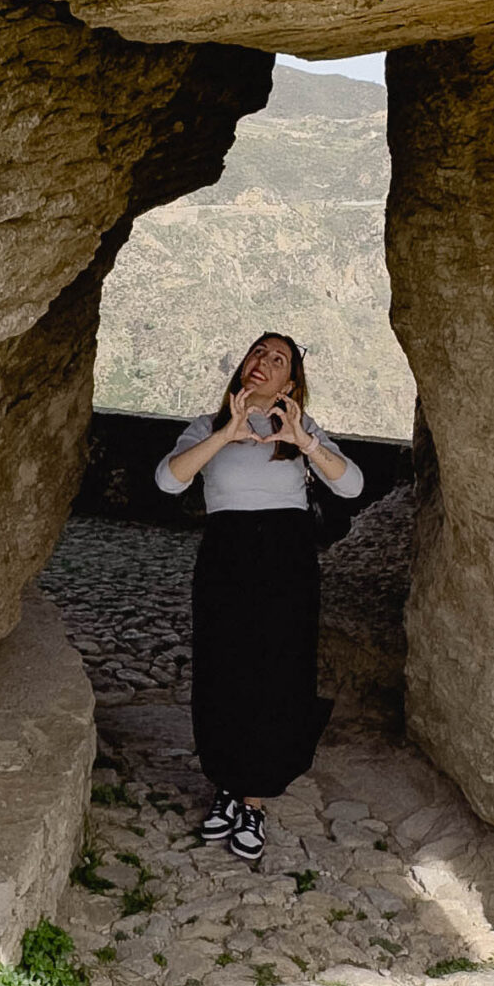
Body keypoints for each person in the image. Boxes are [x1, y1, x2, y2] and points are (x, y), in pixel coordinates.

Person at [152, 331, 363, 861]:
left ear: (290, 382)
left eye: (278, 360)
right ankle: (226, 784)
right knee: (223, 671)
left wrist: (304, 440)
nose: (263, 363)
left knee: (278, 675)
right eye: (258, 353)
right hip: (227, 557)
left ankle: (254, 800)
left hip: (285, 562)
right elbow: (168, 481)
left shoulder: (299, 430)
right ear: (244, 364)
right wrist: (227, 433)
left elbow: (352, 486)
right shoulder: (206, 428)